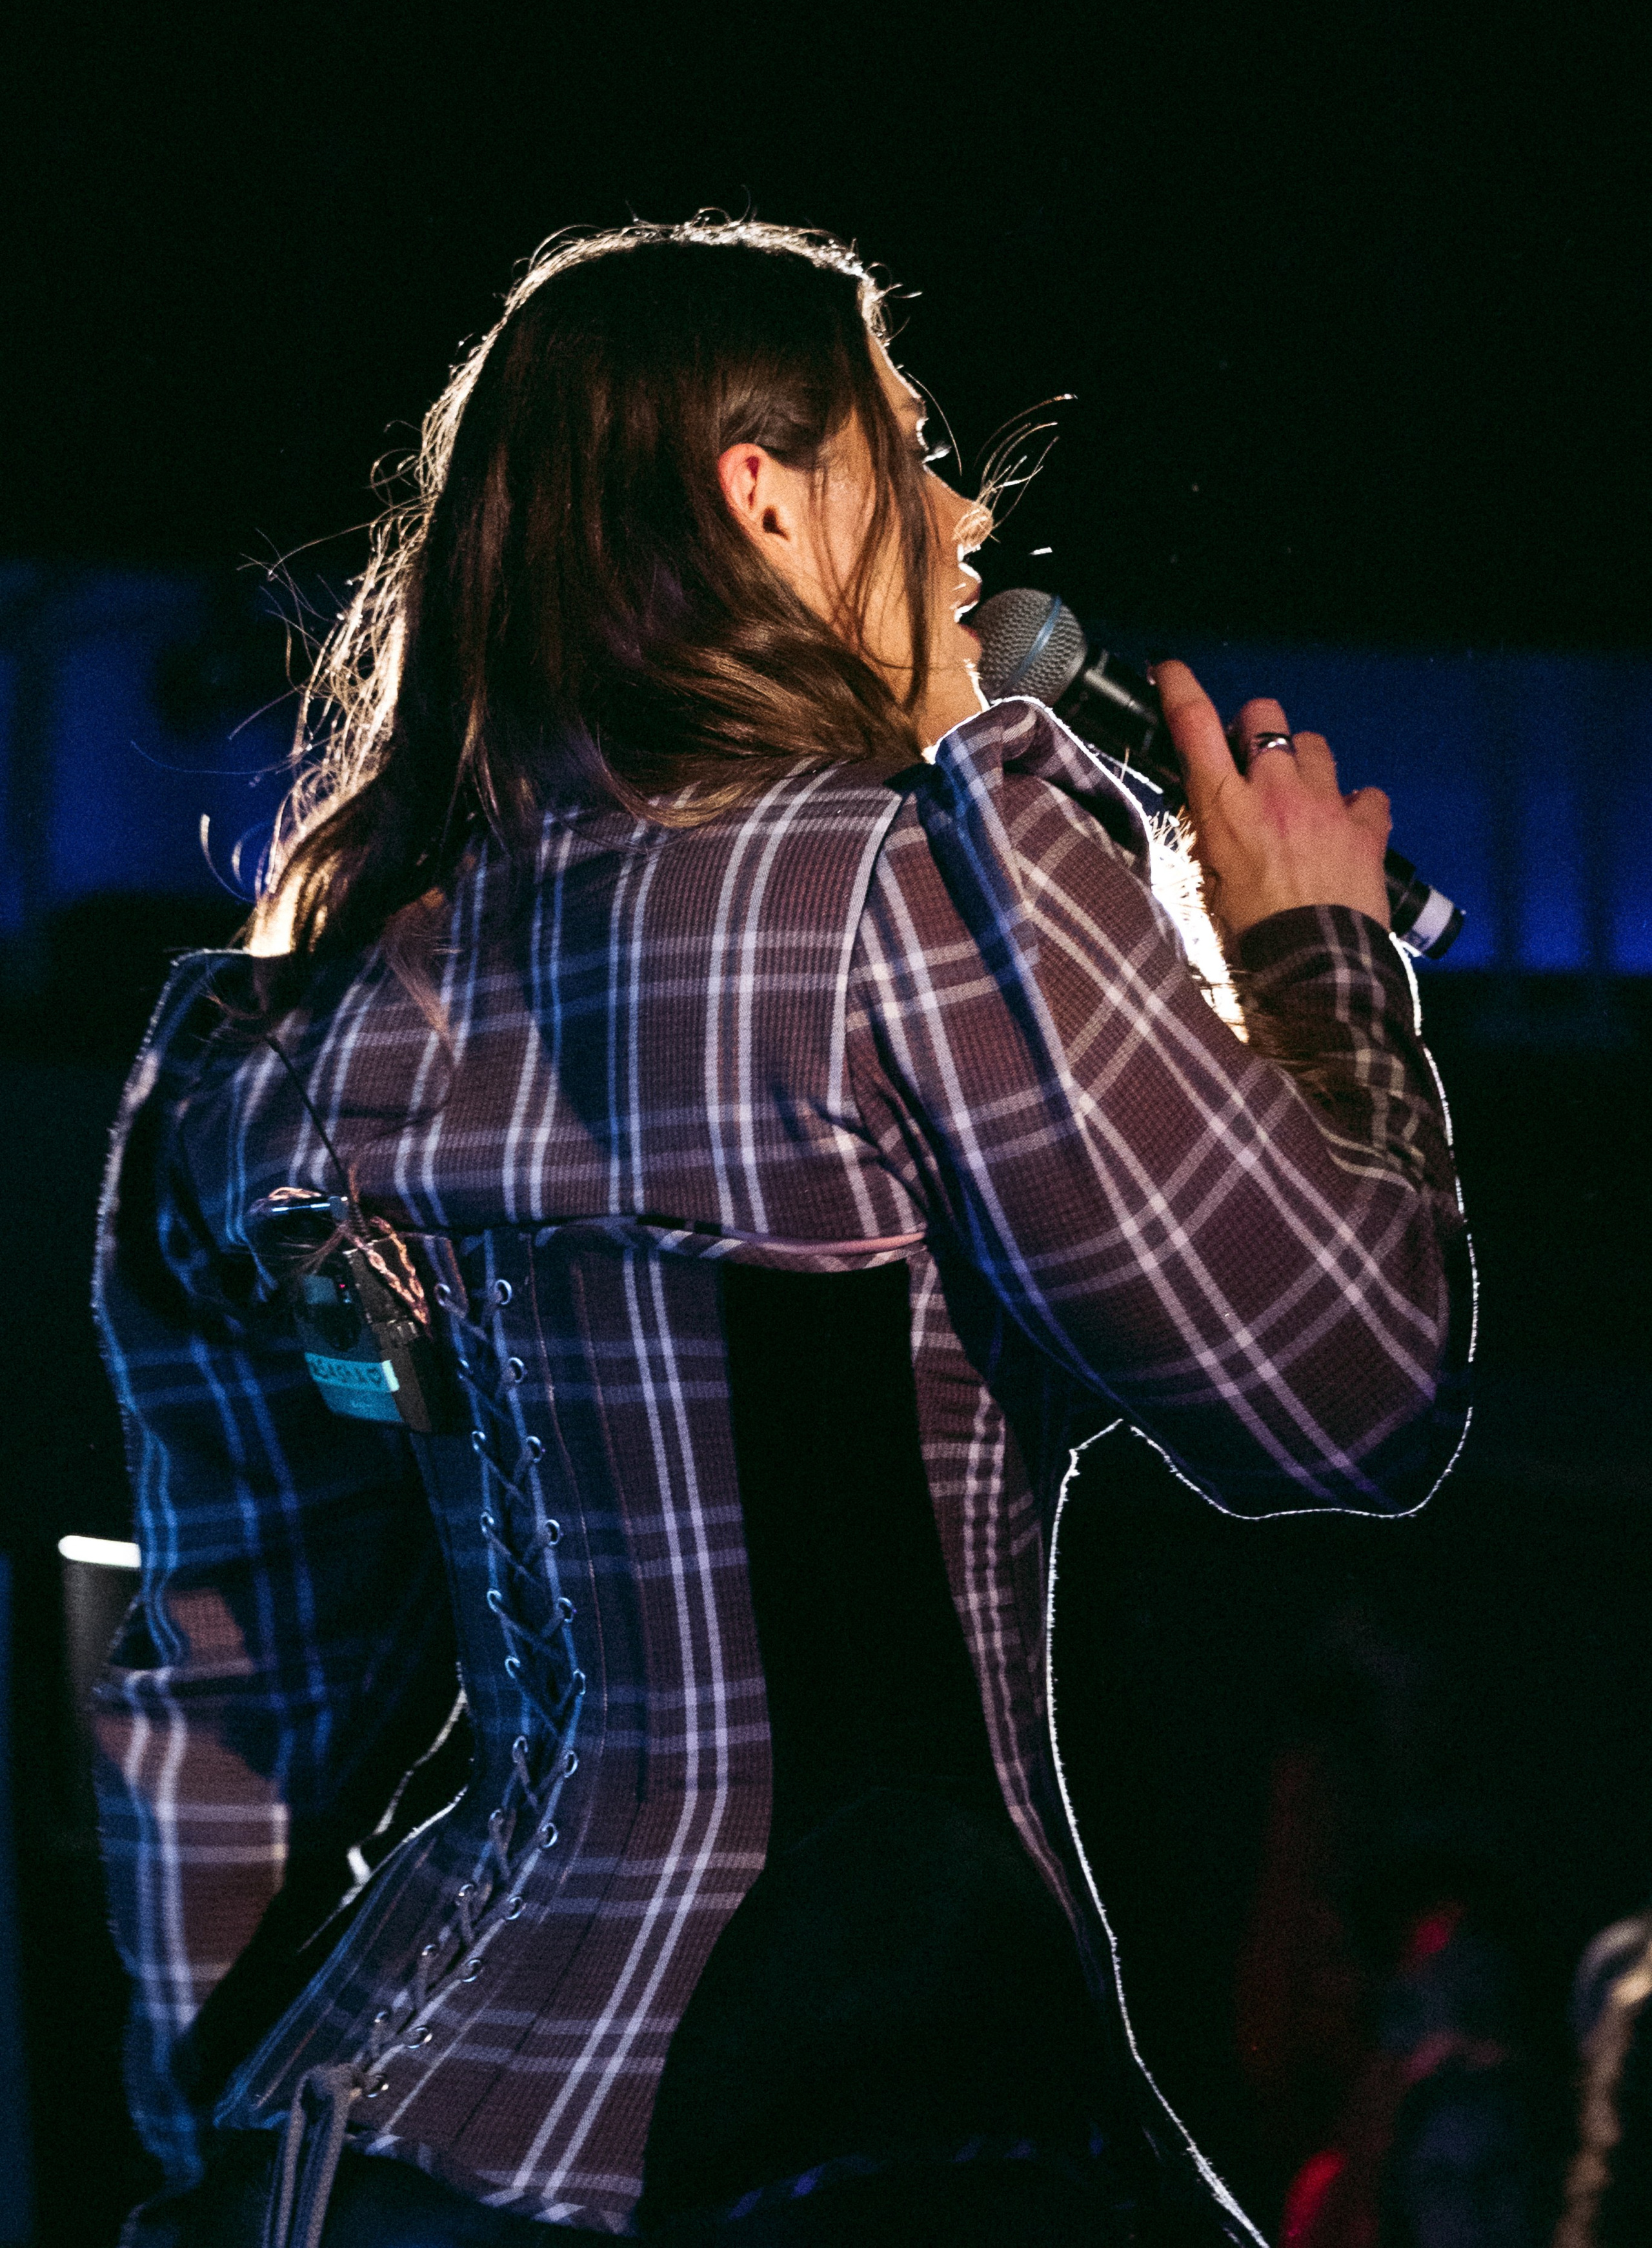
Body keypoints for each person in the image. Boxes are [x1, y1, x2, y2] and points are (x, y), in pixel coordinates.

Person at [92, 216, 1472, 2247]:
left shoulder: (296, 1034)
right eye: (908, 445)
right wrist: (1317, 961)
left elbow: (236, 1684)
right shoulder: (901, 904)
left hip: (378, 2146)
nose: (964, 504)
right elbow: (1345, 1390)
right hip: (858, 2118)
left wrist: (206, 2118)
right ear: (766, 498)